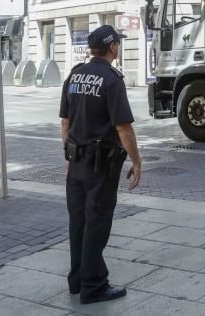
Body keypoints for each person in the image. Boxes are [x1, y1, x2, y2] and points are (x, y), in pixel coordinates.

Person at [60, 25, 143, 305]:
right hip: (101, 165)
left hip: (77, 161)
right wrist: (136, 160)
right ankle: (93, 286)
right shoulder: (111, 79)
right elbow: (123, 127)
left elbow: (65, 122)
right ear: (112, 48)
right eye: (117, 44)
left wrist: (68, 156)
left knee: (78, 223)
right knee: (97, 223)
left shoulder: (73, 75)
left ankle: (77, 280)